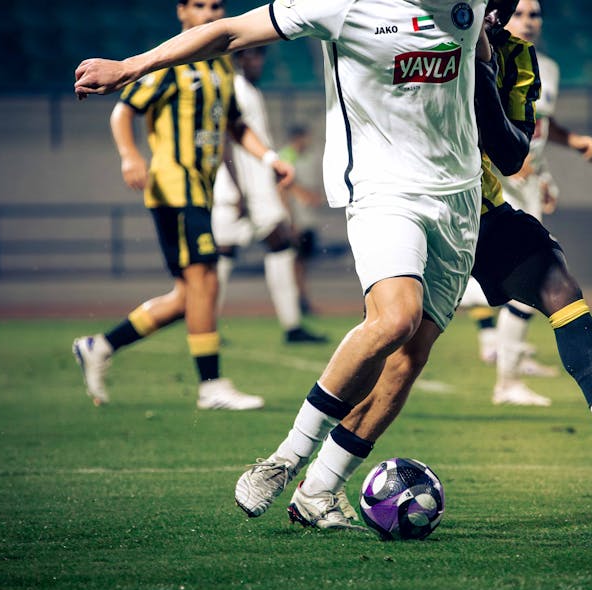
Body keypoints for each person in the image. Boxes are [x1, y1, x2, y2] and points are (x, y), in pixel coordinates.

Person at [231, 0, 592, 531]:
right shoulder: (419, 24)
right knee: (397, 336)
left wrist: (483, 67)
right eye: (507, 6)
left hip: (476, 208)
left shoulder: (515, 57)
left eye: (519, 8)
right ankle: (296, 463)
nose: (508, 12)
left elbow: (513, 152)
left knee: (550, 286)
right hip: (403, 201)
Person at [74, 0, 489, 528]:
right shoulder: (344, 6)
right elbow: (227, 32)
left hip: (460, 195)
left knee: (411, 357)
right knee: (395, 318)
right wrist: (133, 66)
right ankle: (285, 458)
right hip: (385, 190)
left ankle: (319, 489)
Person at [72, 0, 295, 410]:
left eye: (216, 6)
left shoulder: (222, 66)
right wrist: (130, 155)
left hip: (200, 191)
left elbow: (234, 125)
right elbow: (124, 112)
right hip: (175, 188)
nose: (210, 14)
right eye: (200, 6)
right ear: (182, 12)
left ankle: (100, 345)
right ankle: (211, 386)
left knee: (188, 296)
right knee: (206, 281)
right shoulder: (171, 63)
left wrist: (269, 159)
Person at [461, 0, 592, 407]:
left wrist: (559, 157)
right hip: (493, 179)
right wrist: (508, 163)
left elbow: (537, 124)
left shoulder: (544, 65)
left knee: (531, 280)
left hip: (527, 180)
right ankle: (506, 376)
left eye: (534, 14)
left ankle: (507, 367)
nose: (527, 20)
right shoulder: (472, 50)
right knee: (537, 276)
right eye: (519, 13)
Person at [211, 47, 326, 343]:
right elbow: (226, 137)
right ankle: (207, 326)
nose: (257, 62)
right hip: (240, 190)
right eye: (251, 56)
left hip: (255, 188)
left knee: (278, 245)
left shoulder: (250, 90)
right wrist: (236, 188)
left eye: (260, 56)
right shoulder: (236, 88)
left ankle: (292, 325)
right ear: (239, 60)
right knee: (224, 254)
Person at [278, 125, 326, 316]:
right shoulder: (287, 155)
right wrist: (291, 219)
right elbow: (283, 185)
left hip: (307, 218)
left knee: (302, 262)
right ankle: (297, 301)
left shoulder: (310, 155)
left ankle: (302, 298)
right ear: (297, 137)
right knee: (294, 262)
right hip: (294, 218)